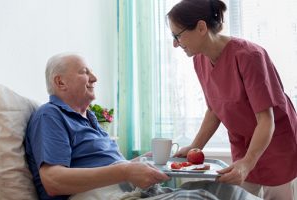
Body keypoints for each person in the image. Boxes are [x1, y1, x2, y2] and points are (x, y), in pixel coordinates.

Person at [167, 0, 297, 200]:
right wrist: (195, 147)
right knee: (239, 196)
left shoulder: (249, 55)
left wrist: (248, 162)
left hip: (273, 140)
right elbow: (214, 109)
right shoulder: (199, 60)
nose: (175, 43)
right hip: (243, 142)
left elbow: (266, 120)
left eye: (177, 35)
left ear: (201, 27)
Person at [24, 53, 170, 200]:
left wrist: (142, 162)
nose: (94, 78)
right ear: (60, 82)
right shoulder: (50, 115)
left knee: (191, 191)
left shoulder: (90, 118)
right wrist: (125, 171)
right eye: (84, 72)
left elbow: (107, 166)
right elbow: (53, 181)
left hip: (125, 192)